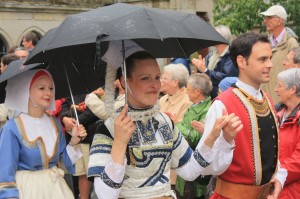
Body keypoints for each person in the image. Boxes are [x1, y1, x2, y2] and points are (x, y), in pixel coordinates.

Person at [87, 50, 242, 199]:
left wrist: (215, 136)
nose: (155, 85)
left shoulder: (164, 122)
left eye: (157, 77)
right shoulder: (108, 128)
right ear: (124, 81)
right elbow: (105, 195)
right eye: (145, 78)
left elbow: (190, 170)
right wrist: (120, 143)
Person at [198, 32, 287, 199]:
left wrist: (278, 177)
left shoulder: (266, 99)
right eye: (262, 59)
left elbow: (271, 149)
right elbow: (206, 166)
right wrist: (226, 140)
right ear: (241, 61)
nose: (270, 64)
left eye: (270, 58)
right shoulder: (222, 104)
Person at [0, 69, 87, 199]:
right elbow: (5, 175)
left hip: (56, 189)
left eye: (51, 88)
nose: (49, 93)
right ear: (26, 90)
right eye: (42, 88)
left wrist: (74, 141)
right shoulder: (12, 128)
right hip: (26, 191)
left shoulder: (55, 123)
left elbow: (64, 165)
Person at [174, 73, 213, 199]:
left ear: (197, 91)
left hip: (197, 166)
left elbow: (195, 137)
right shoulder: (193, 107)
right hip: (184, 162)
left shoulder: (207, 110)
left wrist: (177, 124)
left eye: (188, 89)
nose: (186, 92)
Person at [60, 94, 100, 199]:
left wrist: (74, 121)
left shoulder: (100, 89)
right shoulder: (74, 91)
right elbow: (65, 106)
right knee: (82, 173)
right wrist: (64, 118)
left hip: (92, 138)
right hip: (77, 140)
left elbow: (95, 111)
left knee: (94, 173)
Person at [260, 5, 299, 104]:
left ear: (280, 20)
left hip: (282, 101)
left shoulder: (291, 43)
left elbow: (295, 77)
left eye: (269, 18)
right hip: (265, 99)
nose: (265, 21)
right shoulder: (265, 42)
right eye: (265, 18)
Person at [192, 25, 238, 99]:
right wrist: (199, 70)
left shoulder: (231, 56)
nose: (211, 37)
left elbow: (224, 78)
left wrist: (205, 70)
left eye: (213, 35)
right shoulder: (210, 55)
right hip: (208, 97)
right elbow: (205, 75)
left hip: (223, 98)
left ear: (221, 37)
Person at [274, 68, 300, 199]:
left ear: (293, 89)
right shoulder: (276, 114)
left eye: (279, 85)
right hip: (273, 188)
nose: (275, 90)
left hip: (292, 191)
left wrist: (279, 175)